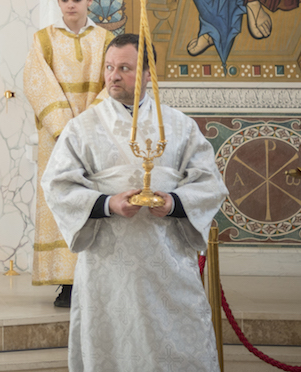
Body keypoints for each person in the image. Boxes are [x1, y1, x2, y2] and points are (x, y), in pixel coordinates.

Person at [43, 34, 227, 372]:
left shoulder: (179, 126)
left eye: (124, 68)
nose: (113, 76)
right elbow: (56, 184)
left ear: (147, 74)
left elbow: (210, 183)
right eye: (109, 67)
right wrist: (106, 203)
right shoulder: (82, 128)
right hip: (109, 269)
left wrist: (174, 203)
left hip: (167, 264)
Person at [22, 0, 113, 307]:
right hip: (57, 139)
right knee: (60, 203)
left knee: (95, 201)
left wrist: (87, 128)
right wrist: (65, 129)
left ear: (90, 0)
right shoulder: (44, 39)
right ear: (58, 1)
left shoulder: (105, 41)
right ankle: (66, 284)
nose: (71, 6)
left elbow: (112, 84)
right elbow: (37, 82)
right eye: (64, 0)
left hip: (96, 137)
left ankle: (93, 278)